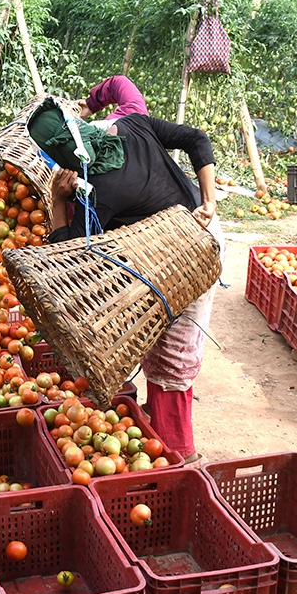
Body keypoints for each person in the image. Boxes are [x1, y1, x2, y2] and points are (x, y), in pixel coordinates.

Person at [29, 77, 225, 464]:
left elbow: (71, 257)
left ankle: (176, 451)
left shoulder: (97, 188)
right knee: (162, 341)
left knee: (172, 352)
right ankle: (154, 431)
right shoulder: (136, 122)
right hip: (203, 232)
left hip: (180, 261)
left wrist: (56, 201)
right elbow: (198, 139)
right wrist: (209, 200)